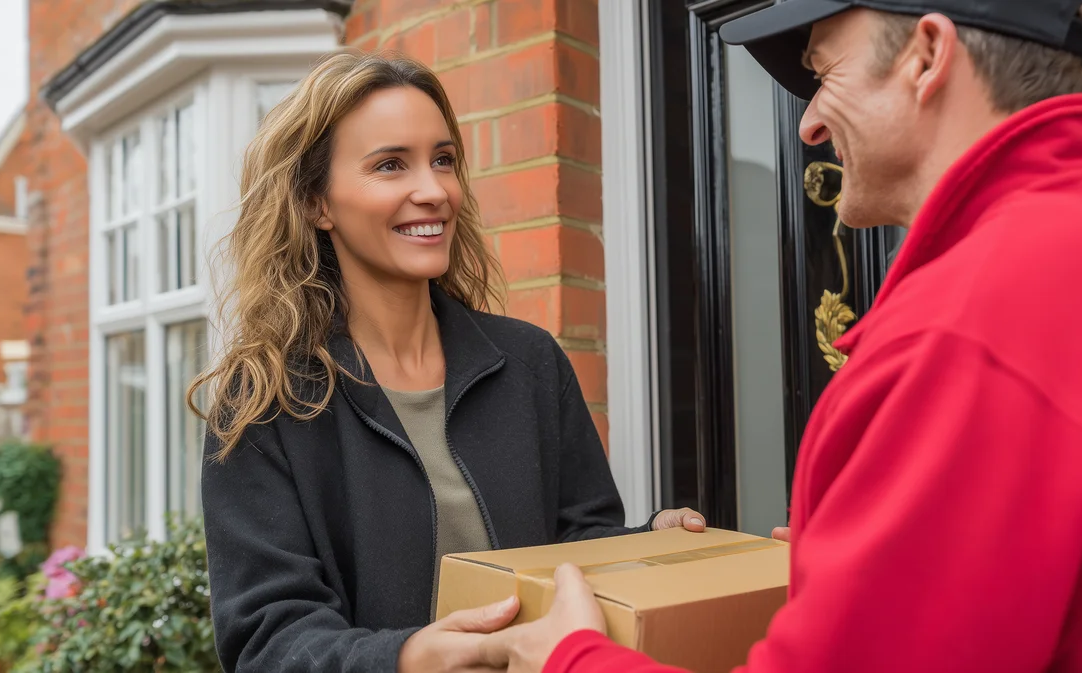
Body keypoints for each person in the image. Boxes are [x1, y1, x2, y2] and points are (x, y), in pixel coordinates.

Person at [476, 0, 1082, 671]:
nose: (808, 123)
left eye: (823, 73)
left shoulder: (975, 331)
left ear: (927, 54)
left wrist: (572, 656)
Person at [192, 51, 705, 673]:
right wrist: (407, 657)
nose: (434, 191)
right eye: (390, 165)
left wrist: (652, 544)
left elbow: (577, 553)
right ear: (315, 204)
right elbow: (267, 642)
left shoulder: (530, 362)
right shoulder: (267, 401)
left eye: (443, 160)